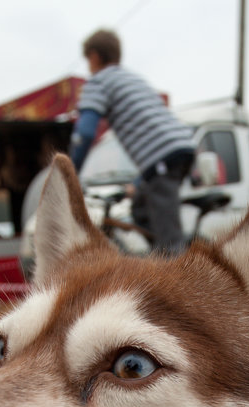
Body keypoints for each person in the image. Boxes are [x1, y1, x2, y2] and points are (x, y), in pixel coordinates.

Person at [70, 29, 195, 253]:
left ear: (95, 56)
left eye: (88, 59)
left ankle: (171, 266)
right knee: (140, 207)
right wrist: (137, 185)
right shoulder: (133, 78)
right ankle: (160, 255)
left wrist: (68, 175)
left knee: (170, 242)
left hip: (163, 156)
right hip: (180, 147)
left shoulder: (98, 82)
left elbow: (85, 134)